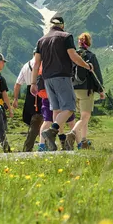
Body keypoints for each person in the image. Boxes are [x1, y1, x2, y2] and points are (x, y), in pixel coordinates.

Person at [30, 16, 93, 151]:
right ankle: (52, 130)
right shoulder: (66, 37)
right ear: (62, 25)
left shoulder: (41, 41)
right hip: (62, 76)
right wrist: (87, 66)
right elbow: (73, 56)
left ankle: (51, 143)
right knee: (69, 108)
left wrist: (33, 83)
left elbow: (36, 64)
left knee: (56, 109)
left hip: (47, 79)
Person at [72, 32, 104, 149]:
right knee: (85, 116)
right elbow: (96, 75)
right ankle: (72, 133)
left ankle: (83, 142)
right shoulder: (90, 56)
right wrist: (100, 90)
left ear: (79, 42)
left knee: (81, 117)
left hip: (73, 89)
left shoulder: (73, 55)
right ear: (88, 43)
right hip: (86, 90)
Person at [14, 57, 43, 152]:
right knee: (38, 119)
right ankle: (29, 147)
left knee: (35, 120)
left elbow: (18, 83)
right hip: (39, 91)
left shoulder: (26, 65)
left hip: (29, 93)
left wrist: (15, 99)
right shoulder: (42, 63)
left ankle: (43, 144)